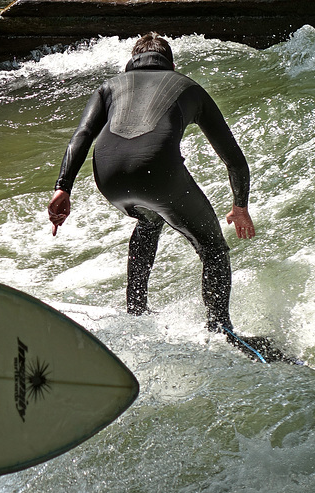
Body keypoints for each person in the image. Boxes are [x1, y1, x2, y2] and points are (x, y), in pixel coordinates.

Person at [48, 32, 256, 332]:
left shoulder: (109, 86)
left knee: (148, 220)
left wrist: (63, 187)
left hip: (108, 177)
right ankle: (221, 328)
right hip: (159, 175)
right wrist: (240, 205)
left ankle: (135, 311)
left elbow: (82, 136)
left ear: (129, 64)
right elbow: (233, 157)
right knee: (212, 248)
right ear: (171, 65)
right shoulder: (187, 86)